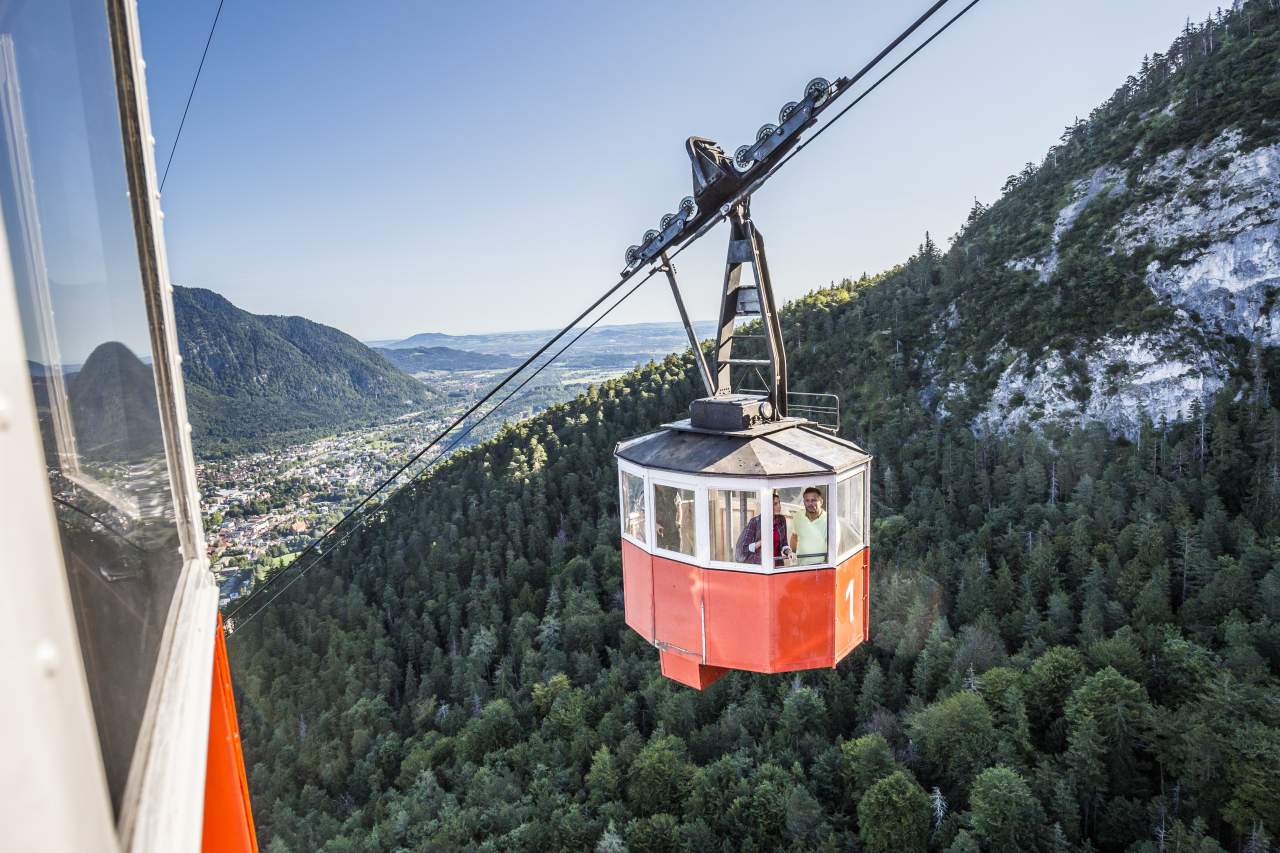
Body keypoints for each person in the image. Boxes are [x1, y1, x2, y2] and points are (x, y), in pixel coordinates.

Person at [736, 491, 792, 566]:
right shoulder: (755, 522)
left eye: (779, 503)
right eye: (775, 504)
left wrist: (789, 552)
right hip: (760, 566)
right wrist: (761, 542)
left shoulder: (782, 520)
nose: (779, 506)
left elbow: (784, 543)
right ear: (767, 506)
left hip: (777, 565)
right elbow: (744, 549)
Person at [789, 486, 828, 566]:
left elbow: (833, 548)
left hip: (821, 567)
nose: (810, 503)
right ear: (804, 502)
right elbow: (794, 537)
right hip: (801, 567)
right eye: (807, 500)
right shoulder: (798, 516)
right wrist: (793, 557)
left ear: (821, 501)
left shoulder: (829, 520)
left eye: (814, 500)